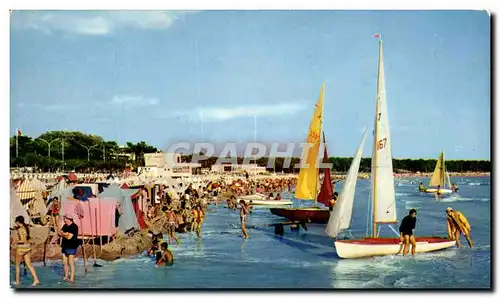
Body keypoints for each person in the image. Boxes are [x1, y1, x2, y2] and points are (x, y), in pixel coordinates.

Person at [12, 216, 40, 286]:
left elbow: (23, 240)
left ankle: (17, 281)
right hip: (27, 248)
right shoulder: (25, 228)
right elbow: (26, 239)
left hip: (21, 248)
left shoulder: (20, 229)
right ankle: (36, 279)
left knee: (17, 265)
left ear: (18, 222)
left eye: (16, 222)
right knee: (29, 265)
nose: (16, 223)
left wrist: (15, 241)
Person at [58, 214, 79, 282]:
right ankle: (66, 276)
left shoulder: (74, 227)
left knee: (71, 262)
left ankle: (72, 277)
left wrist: (64, 234)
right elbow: (59, 233)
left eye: (65, 219)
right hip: (64, 245)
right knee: (64, 263)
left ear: (69, 219)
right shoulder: (65, 225)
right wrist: (65, 234)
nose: (64, 220)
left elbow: (69, 237)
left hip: (71, 246)